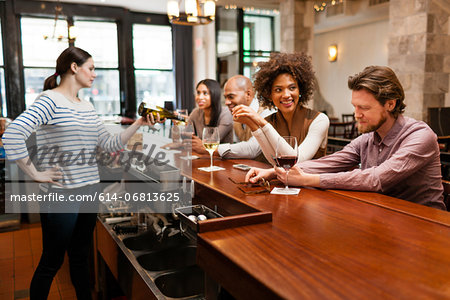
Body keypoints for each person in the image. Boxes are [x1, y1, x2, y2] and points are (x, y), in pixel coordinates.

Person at [2, 47, 157, 299]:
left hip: (89, 190)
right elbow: (12, 135)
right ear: (74, 67)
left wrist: (139, 123)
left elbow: (110, 143)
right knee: (51, 262)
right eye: (91, 68)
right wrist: (35, 173)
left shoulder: (86, 106)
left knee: (80, 258)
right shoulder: (49, 100)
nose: (94, 74)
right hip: (61, 195)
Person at [246, 66, 446, 210]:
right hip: (384, 216)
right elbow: (328, 163)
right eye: (355, 106)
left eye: (364, 108)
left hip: (427, 225)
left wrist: (307, 179)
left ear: (390, 104)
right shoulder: (368, 138)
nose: (356, 114)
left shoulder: (420, 136)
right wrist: (272, 172)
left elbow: (375, 179)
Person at [231, 52, 329, 164]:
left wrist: (259, 121)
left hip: (312, 181)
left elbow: (295, 161)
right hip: (282, 181)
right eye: (278, 90)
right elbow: (275, 162)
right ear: (269, 94)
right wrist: (253, 124)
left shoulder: (320, 120)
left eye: (292, 88)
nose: (286, 95)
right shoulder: (269, 122)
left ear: (300, 90)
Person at [188, 79, 233, 150]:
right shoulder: (195, 112)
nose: (200, 97)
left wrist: (198, 142)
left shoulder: (226, 114)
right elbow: (187, 138)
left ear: (214, 95)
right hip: (202, 156)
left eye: (205, 93)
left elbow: (212, 142)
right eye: (198, 93)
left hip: (222, 158)